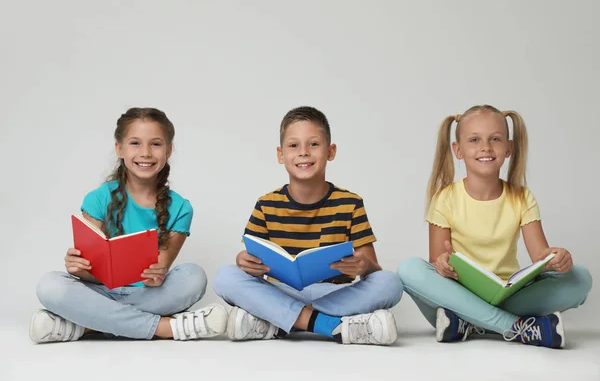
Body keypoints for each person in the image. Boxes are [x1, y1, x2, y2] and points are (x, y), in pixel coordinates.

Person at [397, 105, 592, 348]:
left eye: (495, 139)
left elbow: (540, 256)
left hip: (508, 297)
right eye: (474, 140)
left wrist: (557, 259)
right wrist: (443, 263)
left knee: (580, 277)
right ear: (458, 150)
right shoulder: (445, 198)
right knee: (409, 269)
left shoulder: (521, 198)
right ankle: (517, 328)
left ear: (509, 147)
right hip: (459, 298)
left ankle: (472, 323)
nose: (486, 147)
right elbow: (437, 259)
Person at [30, 107, 227, 343]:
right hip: (100, 290)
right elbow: (91, 272)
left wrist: (158, 273)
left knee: (194, 277)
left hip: (147, 293)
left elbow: (160, 269)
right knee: (50, 285)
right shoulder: (97, 199)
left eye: (155, 144)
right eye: (135, 143)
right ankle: (166, 328)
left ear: (168, 150)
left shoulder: (181, 208)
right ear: (119, 148)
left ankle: (85, 326)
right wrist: (79, 267)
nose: (145, 153)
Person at [213, 106, 403, 345]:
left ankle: (279, 322)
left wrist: (363, 265)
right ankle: (328, 325)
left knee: (390, 283)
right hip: (281, 291)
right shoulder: (266, 204)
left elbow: (373, 270)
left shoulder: (350, 203)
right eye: (294, 146)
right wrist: (244, 261)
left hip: (334, 294)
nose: (303, 152)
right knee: (226, 276)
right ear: (281, 155)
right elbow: (251, 260)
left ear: (330, 151)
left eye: (313, 144)